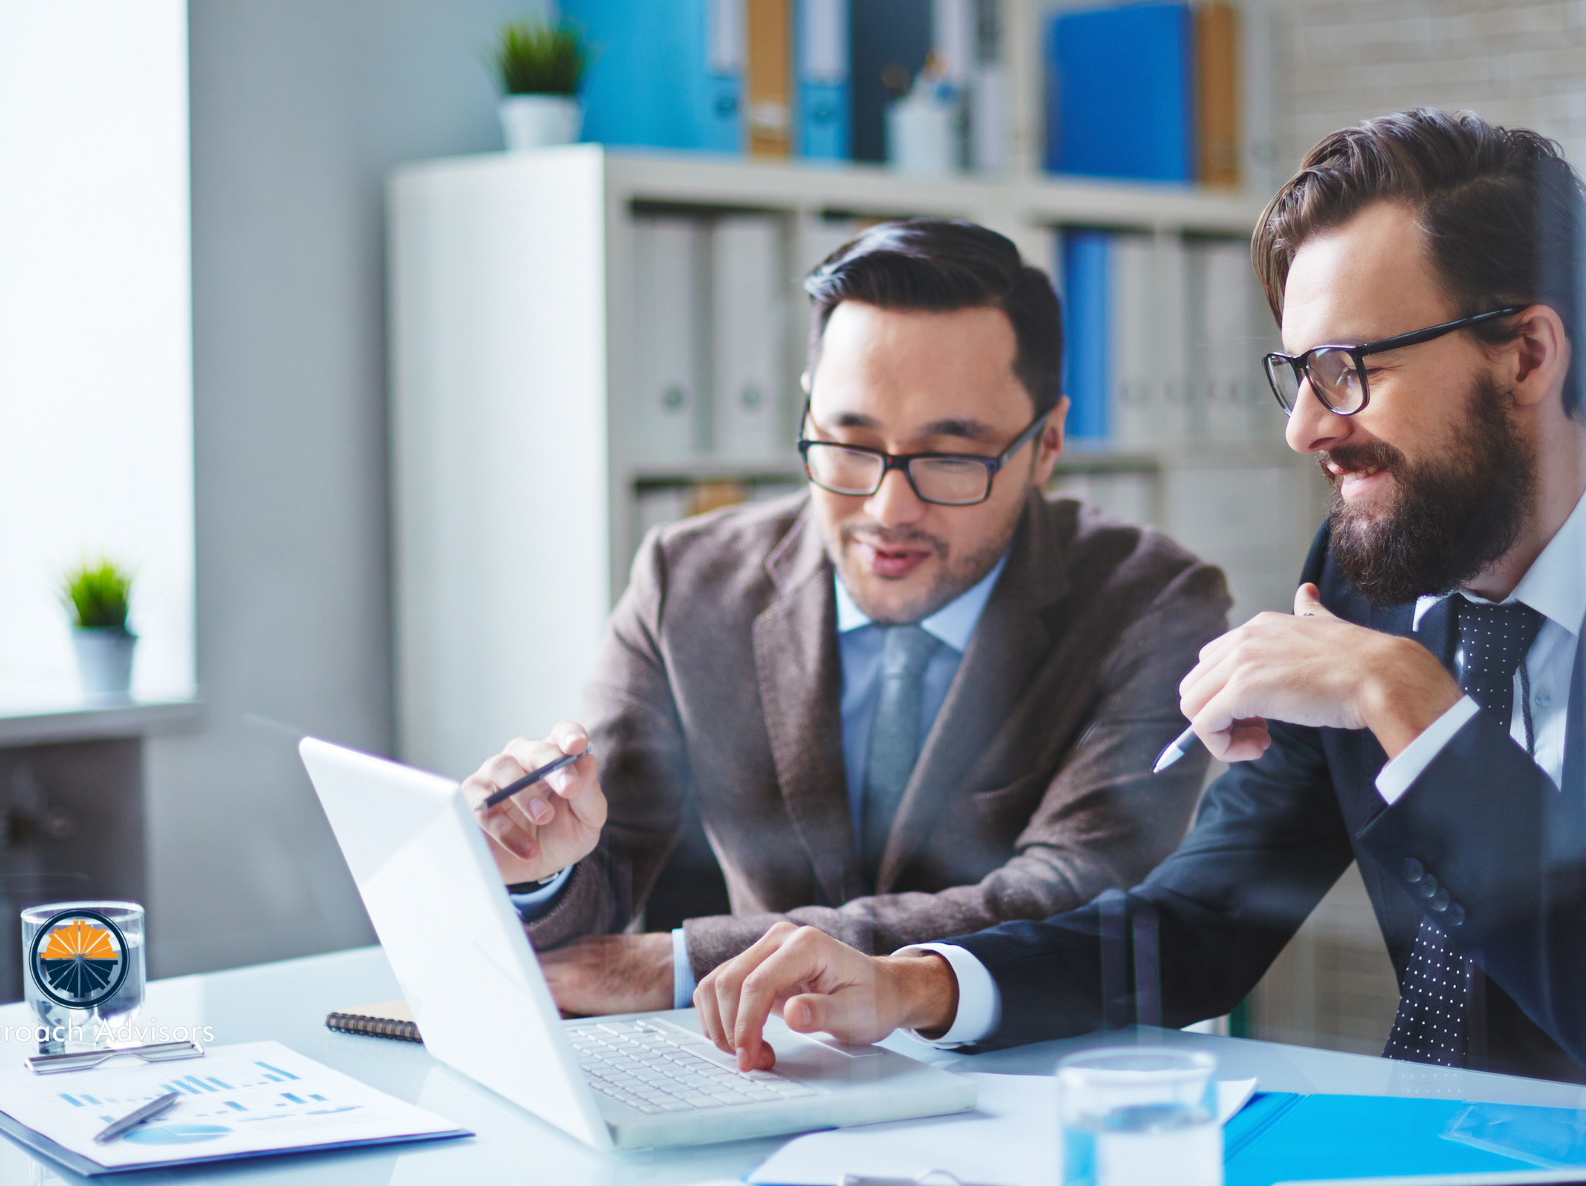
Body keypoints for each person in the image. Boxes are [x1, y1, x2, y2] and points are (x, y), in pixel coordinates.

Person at [689, 111, 1586, 1134]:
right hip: (1460, 1149)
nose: (1307, 427)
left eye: (1349, 371)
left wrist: (1413, 707)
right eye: (1295, 375)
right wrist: (916, 988)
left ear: (1526, 357)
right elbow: (1199, 926)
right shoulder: (1371, 569)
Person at [463, 219, 1230, 1016]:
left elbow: (1070, 897)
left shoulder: (1153, 604)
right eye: (850, 444)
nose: (888, 509)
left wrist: (688, 961)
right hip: (759, 1071)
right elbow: (604, 870)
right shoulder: (685, 583)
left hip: (1028, 1076)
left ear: (1047, 445)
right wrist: (537, 863)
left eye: (951, 457)